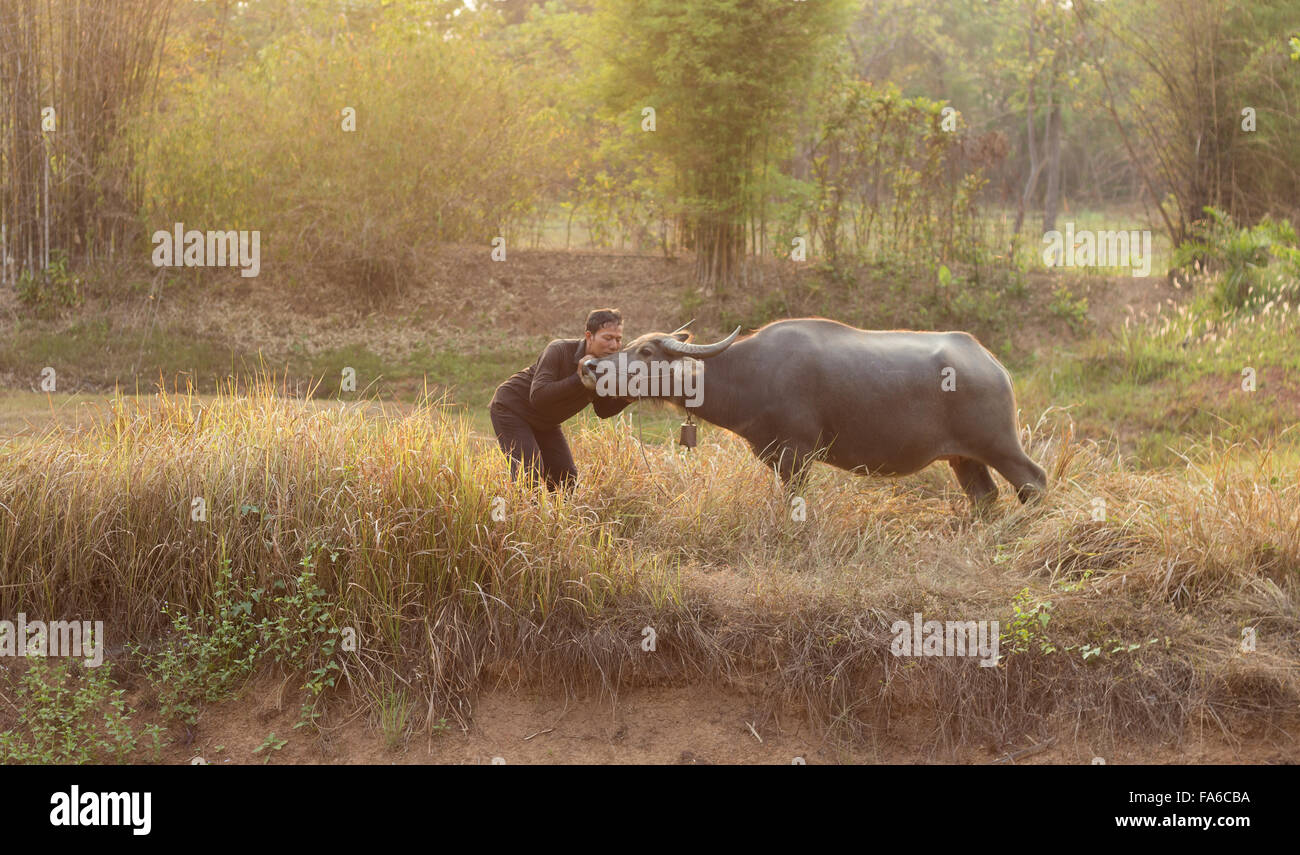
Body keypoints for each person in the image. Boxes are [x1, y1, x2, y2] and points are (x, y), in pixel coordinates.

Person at [488, 308, 631, 491]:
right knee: (528, 472)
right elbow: (538, 397)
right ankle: (521, 518)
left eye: (618, 339)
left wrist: (628, 397)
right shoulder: (559, 349)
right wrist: (579, 379)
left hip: (546, 421)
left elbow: (602, 410)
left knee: (566, 477)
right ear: (589, 336)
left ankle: (555, 520)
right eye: (608, 338)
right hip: (511, 408)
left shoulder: (604, 367)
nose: (614, 346)